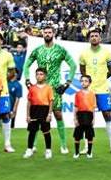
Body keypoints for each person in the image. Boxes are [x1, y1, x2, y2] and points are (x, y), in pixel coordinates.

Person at [23, 25, 78, 155]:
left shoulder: (60, 50)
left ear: (53, 33)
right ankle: (33, 145)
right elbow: (27, 65)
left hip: (55, 88)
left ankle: (63, 145)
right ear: (42, 34)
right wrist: (27, 79)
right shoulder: (37, 50)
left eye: (49, 32)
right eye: (45, 32)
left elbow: (73, 65)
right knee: (36, 117)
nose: (47, 34)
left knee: (58, 114)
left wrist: (68, 83)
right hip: (39, 89)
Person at [78, 28, 111, 155]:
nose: (94, 37)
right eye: (92, 36)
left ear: (100, 38)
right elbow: (82, 70)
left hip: (103, 89)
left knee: (107, 114)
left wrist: (101, 79)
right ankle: (86, 146)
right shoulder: (84, 54)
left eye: (96, 35)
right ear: (89, 38)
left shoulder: (107, 53)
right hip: (89, 91)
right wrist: (89, 82)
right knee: (86, 118)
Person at [23, 68, 55, 160]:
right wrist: (28, 115)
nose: (39, 76)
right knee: (32, 131)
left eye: (41, 74)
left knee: (46, 131)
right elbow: (29, 102)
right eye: (37, 74)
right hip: (34, 110)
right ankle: (29, 149)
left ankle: (48, 150)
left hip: (44, 110)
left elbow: (51, 102)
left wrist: (49, 114)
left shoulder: (49, 88)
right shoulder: (32, 88)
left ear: (45, 76)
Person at [72, 74, 97, 158]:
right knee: (77, 135)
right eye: (82, 81)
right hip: (80, 115)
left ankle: (89, 152)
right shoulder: (77, 94)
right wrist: (75, 118)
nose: (83, 83)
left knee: (89, 135)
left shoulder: (92, 94)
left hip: (89, 115)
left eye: (86, 81)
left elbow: (93, 108)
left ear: (89, 83)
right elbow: (75, 107)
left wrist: (93, 119)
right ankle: (76, 152)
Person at [5, 67, 22, 152]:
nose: (9, 73)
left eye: (11, 72)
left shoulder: (18, 85)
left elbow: (17, 98)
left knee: (9, 123)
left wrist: (14, 109)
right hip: (3, 106)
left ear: (15, 74)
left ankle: (8, 142)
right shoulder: (5, 83)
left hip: (11, 107)